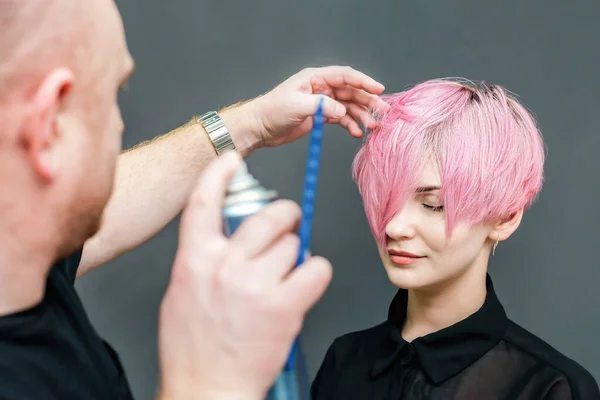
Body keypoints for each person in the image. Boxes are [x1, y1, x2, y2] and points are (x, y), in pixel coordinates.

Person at [0, 0, 389, 399]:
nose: (118, 122)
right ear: (47, 126)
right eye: (112, 94)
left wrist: (251, 125)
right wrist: (207, 385)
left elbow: (74, 198)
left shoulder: (24, 254)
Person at [310, 79, 600, 399]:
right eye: (386, 199)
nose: (394, 226)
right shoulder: (346, 360)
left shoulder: (550, 387)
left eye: (433, 205)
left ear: (504, 218)